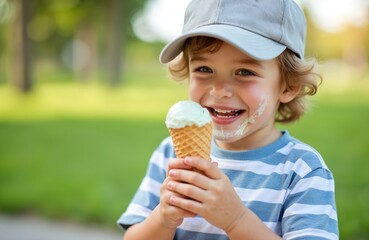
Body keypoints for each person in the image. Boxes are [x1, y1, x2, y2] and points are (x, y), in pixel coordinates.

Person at [117, 0, 339, 239]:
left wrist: (236, 220)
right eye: (204, 69)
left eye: (245, 72)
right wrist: (163, 217)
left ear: (289, 85)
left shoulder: (303, 171)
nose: (220, 89)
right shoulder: (170, 154)